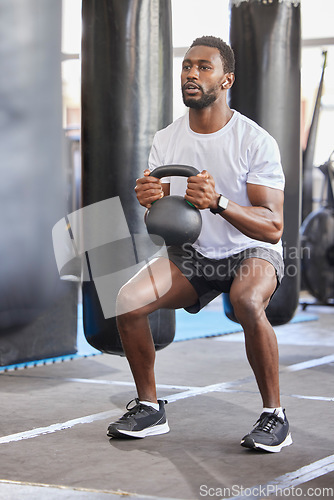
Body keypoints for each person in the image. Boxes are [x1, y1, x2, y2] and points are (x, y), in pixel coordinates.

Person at [107, 36, 292, 453]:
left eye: (203, 67)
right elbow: (167, 220)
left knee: (246, 301)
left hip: (251, 251)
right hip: (196, 254)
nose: (191, 73)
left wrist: (221, 203)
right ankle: (150, 408)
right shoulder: (167, 139)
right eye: (187, 65)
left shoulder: (254, 140)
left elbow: (273, 226)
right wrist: (149, 203)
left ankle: (275, 416)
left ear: (227, 79)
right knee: (127, 300)